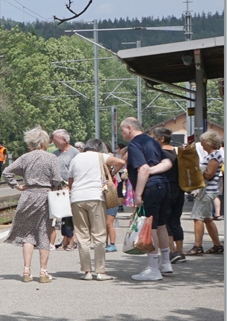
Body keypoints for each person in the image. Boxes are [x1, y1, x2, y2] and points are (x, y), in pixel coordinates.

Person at [3, 128, 63, 283]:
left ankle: (26, 271)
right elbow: (57, 179)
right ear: (44, 142)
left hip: (28, 196)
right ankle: (43, 273)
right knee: (44, 233)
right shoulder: (51, 158)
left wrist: (17, 186)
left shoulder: (25, 158)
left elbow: (7, 172)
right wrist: (58, 189)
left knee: (28, 235)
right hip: (45, 197)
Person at [121, 116, 175, 281]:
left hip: (150, 188)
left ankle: (153, 269)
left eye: (122, 130)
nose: (122, 134)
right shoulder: (152, 141)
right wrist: (153, 170)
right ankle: (165, 263)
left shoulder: (135, 144)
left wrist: (137, 195)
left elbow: (142, 169)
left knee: (150, 227)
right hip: (164, 185)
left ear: (129, 128)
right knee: (161, 225)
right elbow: (168, 162)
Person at [67, 138, 121, 280]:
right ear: (99, 147)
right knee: (99, 235)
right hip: (95, 197)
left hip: (77, 198)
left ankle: (87, 272)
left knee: (82, 236)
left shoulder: (76, 158)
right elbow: (121, 162)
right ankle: (100, 271)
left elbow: (70, 181)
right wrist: (112, 173)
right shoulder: (100, 156)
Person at [153, 127, 189, 263]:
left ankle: (172, 252)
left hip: (165, 188)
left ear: (161, 139)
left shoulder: (159, 153)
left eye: (154, 138)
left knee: (164, 220)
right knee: (175, 220)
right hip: (179, 189)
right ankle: (180, 252)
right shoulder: (178, 151)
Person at [190, 131, 223, 255]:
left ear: (208, 142)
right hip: (210, 190)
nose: (202, 144)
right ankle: (217, 245)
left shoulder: (214, 156)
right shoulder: (215, 155)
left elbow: (209, 174)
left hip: (207, 190)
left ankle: (197, 246)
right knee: (208, 219)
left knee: (197, 217)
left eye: (203, 142)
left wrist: (197, 171)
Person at [49, 129, 80, 250]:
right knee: (62, 216)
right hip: (58, 189)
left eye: (55, 139)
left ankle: (72, 240)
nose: (53, 142)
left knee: (70, 215)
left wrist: (71, 186)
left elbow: (77, 171)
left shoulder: (75, 153)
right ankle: (65, 240)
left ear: (64, 140)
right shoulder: (55, 154)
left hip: (70, 188)